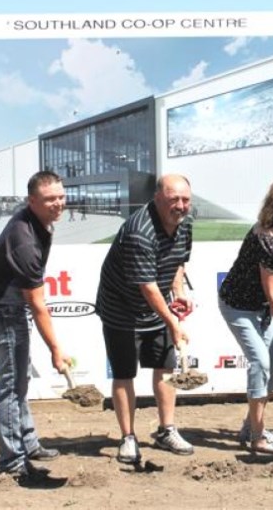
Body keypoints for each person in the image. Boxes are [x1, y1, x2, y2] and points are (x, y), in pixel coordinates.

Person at [0, 171, 71, 482]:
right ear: (32, 201)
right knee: (11, 387)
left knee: (19, 383)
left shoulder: (38, 222)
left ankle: (28, 444)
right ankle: (13, 460)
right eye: (49, 200)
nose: (57, 203)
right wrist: (57, 350)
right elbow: (38, 304)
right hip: (2, 312)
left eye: (60, 196)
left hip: (9, 308)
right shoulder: (24, 241)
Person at [95, 174, 196, 463]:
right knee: (124, 373)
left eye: (185, 199)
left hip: (157, 304)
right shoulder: (140, 231)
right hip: (121, 309)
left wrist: (177, 292)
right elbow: (148, 287)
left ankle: (166, 430)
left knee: (164, 368)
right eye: (173, 199)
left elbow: (179, 260)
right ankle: (128, 437)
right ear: (157, 198)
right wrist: (173, 323)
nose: (180, 205)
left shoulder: (185, 224)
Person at [218, 180, 273, 455]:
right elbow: (272, 296)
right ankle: (257, 438)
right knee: (260, 362)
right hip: (238, 306)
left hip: (262, 308)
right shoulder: (265, 239)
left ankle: (250, 427)